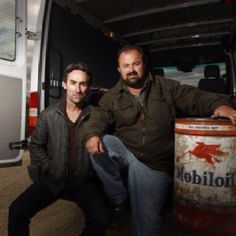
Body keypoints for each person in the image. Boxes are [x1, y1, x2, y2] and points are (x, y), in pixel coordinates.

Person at [84, 45, 236, 236]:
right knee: (101, 142)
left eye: (136, 63)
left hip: (153, 164)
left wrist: (220, 105)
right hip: (126, 150)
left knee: (146, 226)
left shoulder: (167, 87)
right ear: (119, 69)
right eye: (126, 65)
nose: (131, 69)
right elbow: (99, 116)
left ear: (144, 64)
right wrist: (92, 135)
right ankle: (118, 197)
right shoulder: (111, 96)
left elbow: (196, 97)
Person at [8, 62, 111, 236]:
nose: (77, 89)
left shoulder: (96, 116)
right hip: (54, 179)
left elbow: (109, 144)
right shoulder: (48, 114)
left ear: (87, 87)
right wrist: (50, 168)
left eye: (83, 84)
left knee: (101, 218)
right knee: (16, 211)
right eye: (73, 82)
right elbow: (36, 145)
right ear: (64, 84)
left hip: (84, 182)